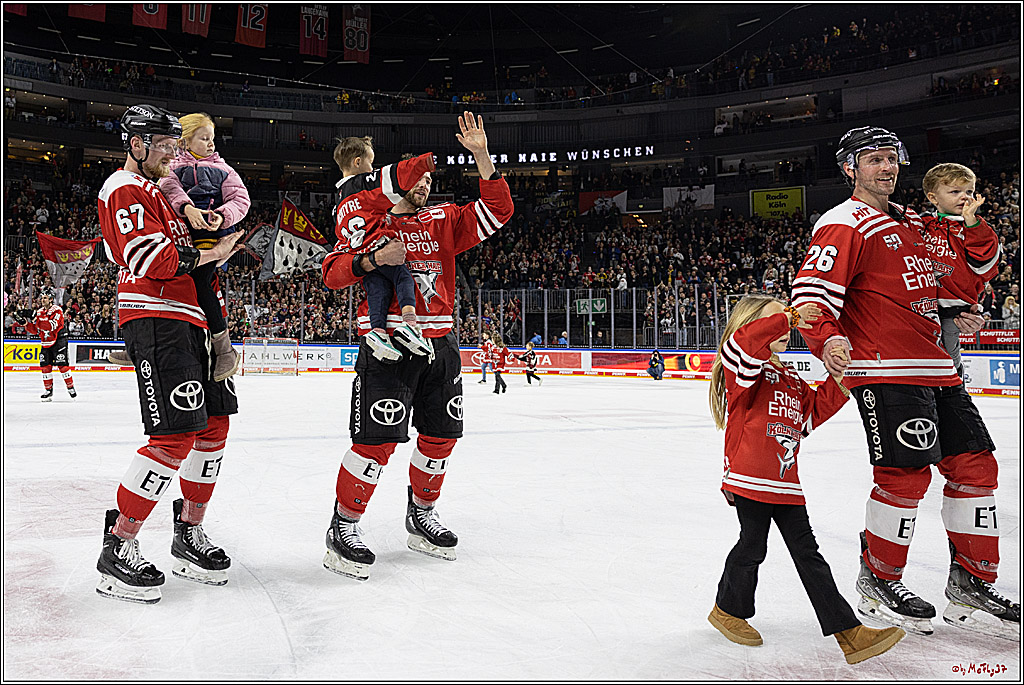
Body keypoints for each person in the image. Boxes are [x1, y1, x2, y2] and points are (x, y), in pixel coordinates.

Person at [791, 126, 1018, 639]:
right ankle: (878, 580)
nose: (886, 167)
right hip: (884, 368)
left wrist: (962, 302)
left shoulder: (916, 223)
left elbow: (966, 276)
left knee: (977, 467)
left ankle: (972, 582)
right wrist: (826, 340)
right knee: (905, 476)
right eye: (873, 159)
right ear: (850, 168)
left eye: (892, 158)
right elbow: (810, 296)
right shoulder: (843, 223)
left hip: (938, 366)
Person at [320, 111, 514, 580]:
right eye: (418, 179)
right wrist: (369, 261)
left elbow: (499, 212)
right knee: (376, 442)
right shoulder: (367, 216)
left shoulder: (446, 219)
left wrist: (482, 155)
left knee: (442, 437)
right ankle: (343, 526)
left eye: (430, 181)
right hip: (387, 347)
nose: (425, 186)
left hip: (440, 343)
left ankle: (421, 514)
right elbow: (331, 273)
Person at [94, 104, 242, 604]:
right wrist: (213, 252)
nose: (170, 153)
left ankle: (188, 532)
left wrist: (219, 329)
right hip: (155, 318)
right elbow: (150, 259)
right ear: (134, 143)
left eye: (172, 144)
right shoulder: (124, 189)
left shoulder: (160, 193)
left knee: (214, 428)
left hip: (192, 322)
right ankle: (119, 546)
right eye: (160, 144)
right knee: (173, 437)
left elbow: (191, 267)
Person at [707, 295, 904, 664]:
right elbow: (746, 342)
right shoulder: (743, 364)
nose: (785, 325)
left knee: (807, 555)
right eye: (776, 319)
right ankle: (727, 610)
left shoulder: (791, 377)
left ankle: (850, 634)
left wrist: (839, 378)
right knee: (753, 546)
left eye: (786, 318)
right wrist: (791, 316)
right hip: (750, 477)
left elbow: (808, 419)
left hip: (786, 481)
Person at [107, 112, 251, 380]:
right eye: (204, 138)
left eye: (212, 138)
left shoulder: (224, 169)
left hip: (212, 233)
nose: (211, 144)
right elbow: (170, 188)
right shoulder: (170, 167)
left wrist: (221, 216)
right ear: (185, 142)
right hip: (185, 230)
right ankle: (139, 344)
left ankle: (224, 348)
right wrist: (187, 208)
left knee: (199, 280)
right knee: (148, 276)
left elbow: (241, 200)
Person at [331, 135, 434, 363]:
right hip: (379, 246)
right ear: (358, 162)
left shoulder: (337, 199)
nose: (372, 168)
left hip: (361, 255)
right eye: (370, 163)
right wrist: (424, 163)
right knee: (403, 278)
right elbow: (394, 177)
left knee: (378, 291)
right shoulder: (362, 184)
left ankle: (377, 333)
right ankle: (410, 325)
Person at [919, 162, 1000, 376]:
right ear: (933, 198)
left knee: (948, 364)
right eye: (955, 191)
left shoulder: (975, 228)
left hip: (955, 310)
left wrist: (972, 222)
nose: (964, 197)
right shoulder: (923, 225)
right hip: (921, 306)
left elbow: (985, 265)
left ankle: (954, 391)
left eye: (969, 191)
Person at [17, 290, 76, 401]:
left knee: (62, 366)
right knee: (45, 367)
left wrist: (35, 316)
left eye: (45, 298)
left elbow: (50, 326)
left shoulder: (57, 311)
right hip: (45, 341)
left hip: (59, 341)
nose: (42, 300)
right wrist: (25, 324)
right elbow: (36, 330)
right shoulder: (39, 312)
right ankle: (48, 391)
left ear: (51, 299)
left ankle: (70, 387)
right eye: (42, 298)